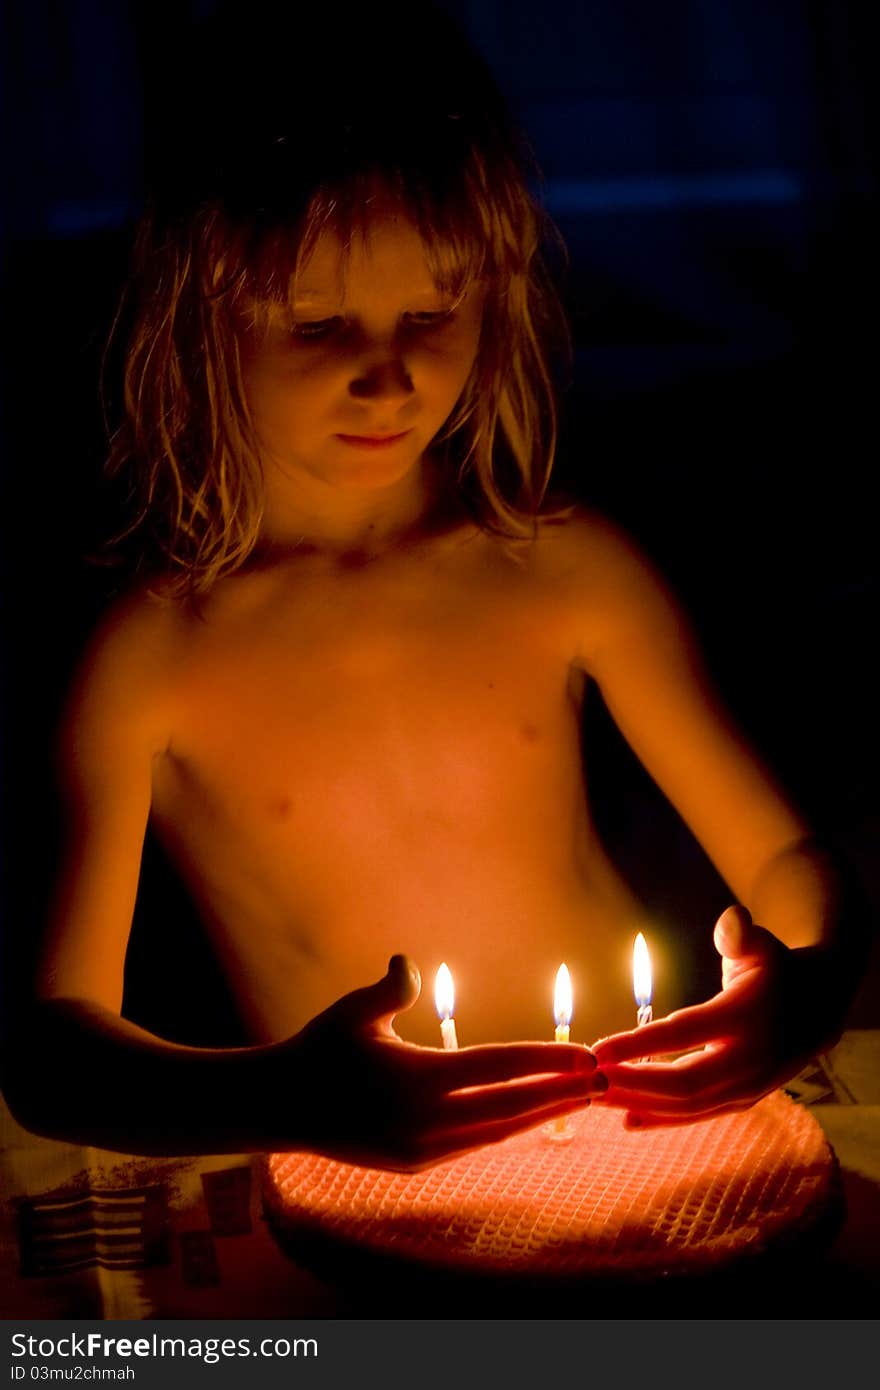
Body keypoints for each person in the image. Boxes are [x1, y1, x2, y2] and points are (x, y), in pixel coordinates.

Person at [1, 1, 867, 1168]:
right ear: (197, 323)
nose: (390, 373)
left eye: (430, 313)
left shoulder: (566, 569)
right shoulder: (151, 657)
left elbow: (781, 860)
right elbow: (54, 1054)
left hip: (641, 1138)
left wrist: (801, 991)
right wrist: (291, 1096)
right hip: (375, 1182)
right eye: (317, 325)